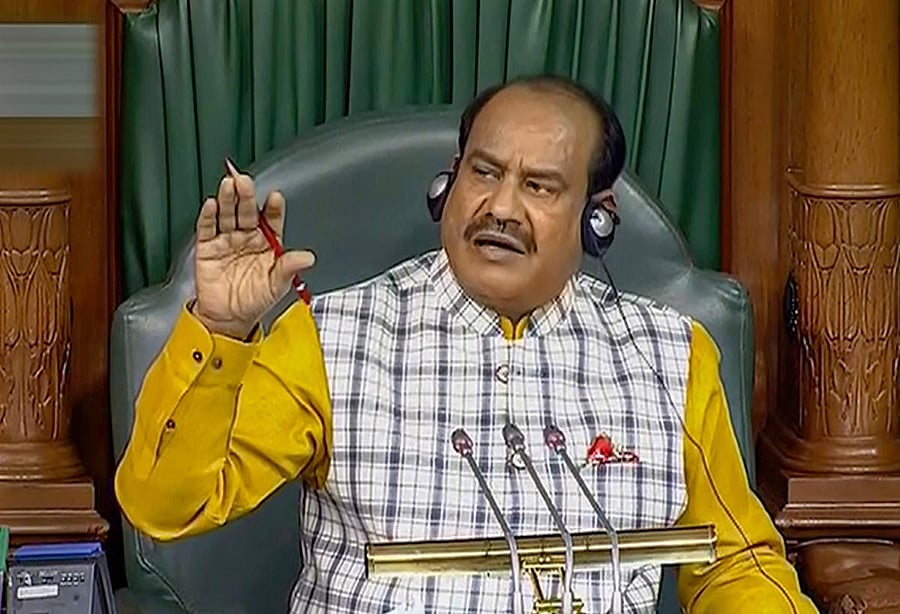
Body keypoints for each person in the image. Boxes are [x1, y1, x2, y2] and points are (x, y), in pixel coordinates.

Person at [115, 75, 816, 613]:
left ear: (597, 219)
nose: (501, 208)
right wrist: (220, 327)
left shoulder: (667, 357)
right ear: (446, 185)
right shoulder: (330, 339)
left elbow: (735, 564)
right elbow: (166, 505)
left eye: (539, 186)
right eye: (483, 173)